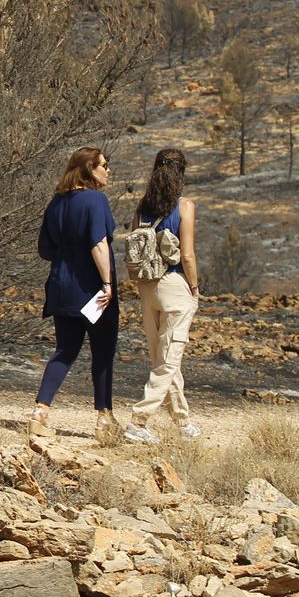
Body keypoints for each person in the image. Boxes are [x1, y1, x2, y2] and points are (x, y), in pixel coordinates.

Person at [29, 146, 119, 440]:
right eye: (103, 165)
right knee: (102, 352)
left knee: (65, 350)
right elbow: (98, 243)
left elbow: (45, 249)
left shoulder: (56, 202)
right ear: (88, 169)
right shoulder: (95, 200)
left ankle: (40, 412)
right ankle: (104, 418)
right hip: (93, 290)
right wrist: (107, 284)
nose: (108, 170)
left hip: (61, 286)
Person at [124, 148, 202, 444]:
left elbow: (135, 248)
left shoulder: (142, 207)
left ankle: (183, 421)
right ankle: (139, 420)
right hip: (175, 285)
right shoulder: (185, 207)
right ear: (181, 173)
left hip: (147, 287)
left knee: (162, 357)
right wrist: (194, 288)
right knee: (170, 358)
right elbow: (188, 255)